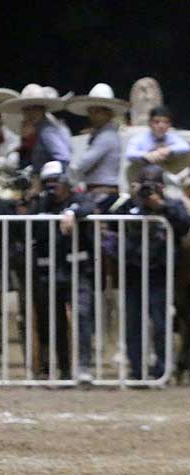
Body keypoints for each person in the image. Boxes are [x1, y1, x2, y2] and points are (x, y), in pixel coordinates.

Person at [107, 164, 190, 380]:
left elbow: (184, 223)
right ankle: (137, 370)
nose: (149, 190)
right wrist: (133, 198)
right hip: (133, 271)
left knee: (161, 323)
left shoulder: (171, 205)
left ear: (162, 186)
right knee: (133, 323)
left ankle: (162, 368)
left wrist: (161, 206)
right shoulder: (129, 205)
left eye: (153, 185)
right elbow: (110, 220)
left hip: (159, 273)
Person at [28, 161, 96, 382]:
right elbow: (29, 224)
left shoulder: (78, 199)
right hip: (49, 273)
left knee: (82, 316)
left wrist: (72, 212)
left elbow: (88, 206)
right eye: (47, 182)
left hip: (78, 271)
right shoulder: (41, 204)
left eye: (55, 181)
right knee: (54, 322)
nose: (51, 186)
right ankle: (64, 368)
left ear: (65, 181)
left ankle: (84, 366)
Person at [67, 83, 128, 199]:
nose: (92, 115)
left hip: (102, 192)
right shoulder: (101, 134)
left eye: (97, 111)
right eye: (91, 111)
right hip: (97, 189)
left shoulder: (107, 136)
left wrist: (68, 177)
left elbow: (83, 163)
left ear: (108, 113)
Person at [0, 84, 72, 176]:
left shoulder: (46, 130)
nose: (30, 113)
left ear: (42, 109)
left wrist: (58, 180)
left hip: (51, 182)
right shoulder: (39, 129)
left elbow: (63, 158)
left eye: (34, 108)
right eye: (26, 109)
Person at [125, 106, 190, 173]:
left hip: (166, 171)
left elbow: (186, 147)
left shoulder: (171, 137)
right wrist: (147, 155)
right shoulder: (139, 138)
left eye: (165, 122)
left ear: (169, 125)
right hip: (145, 172)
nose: (161, 126)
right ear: (150, 123)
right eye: (156, 122)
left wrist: (168, 149)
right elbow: (129, 154)